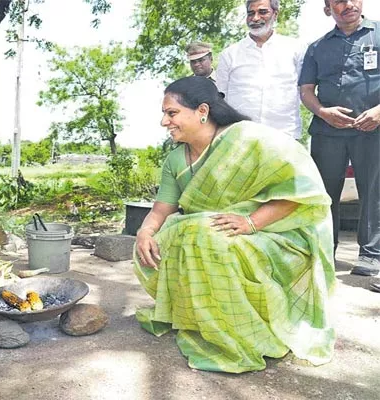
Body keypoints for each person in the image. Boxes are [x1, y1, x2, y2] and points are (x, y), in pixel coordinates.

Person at [134, 76, 335, 373]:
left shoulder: (249, 139)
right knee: (164, 242)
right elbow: (162, 209)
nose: (164, 121)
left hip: (270, 233)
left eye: (171, 113)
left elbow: (301, 193)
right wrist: (145, 231)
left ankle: (242, 331)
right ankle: (198, 318)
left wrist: (251, 222)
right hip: (214, 232)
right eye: (165, 114)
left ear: (202, 110)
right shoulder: (176, 159)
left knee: (204, 236)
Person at [299, 0, 380, 282]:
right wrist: (323, 111)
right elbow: (306, 90)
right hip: (327, 131)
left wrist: (379, 112)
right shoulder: (317, 47)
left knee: (374, 193)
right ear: (328, 9)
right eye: (338, 2)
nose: (347, 5)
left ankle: (371, 255)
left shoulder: (379, 35)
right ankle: (324, 251)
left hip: (372, 129)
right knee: (324, 195)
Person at [216, 0, 305, 139]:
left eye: (263, 12)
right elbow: (220, 99)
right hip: (240, 138)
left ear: (275, 14)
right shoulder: (229, 54)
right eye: (251, 13)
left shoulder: (295, 49)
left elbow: (304, 91)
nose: (255, 18)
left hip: (284, 135)